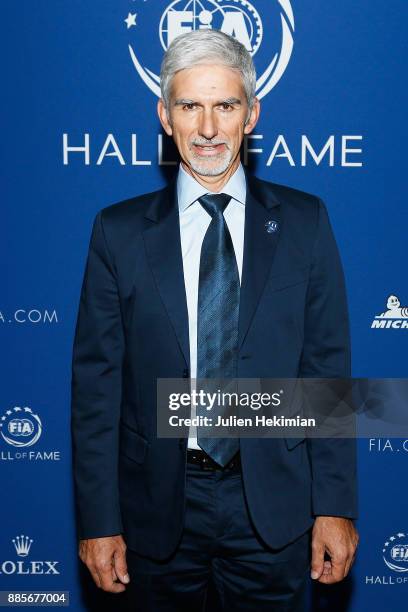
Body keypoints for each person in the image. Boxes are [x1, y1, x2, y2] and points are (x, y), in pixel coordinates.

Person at [71, 29, 358, 612]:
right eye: (190, 106)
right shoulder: (117, 232)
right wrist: (99, 521)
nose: (207, 129)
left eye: (225, 106)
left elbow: (326, 370)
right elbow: (96, 392)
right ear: (164, 115)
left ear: (251, 114)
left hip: (273, 511)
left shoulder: (306, 223)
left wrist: (335, 505)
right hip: (156, 508)